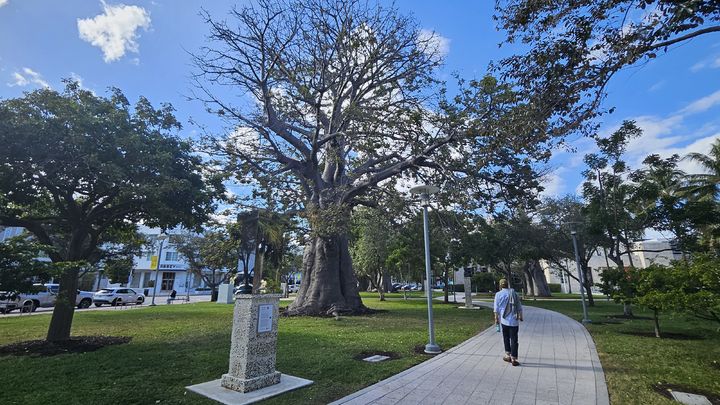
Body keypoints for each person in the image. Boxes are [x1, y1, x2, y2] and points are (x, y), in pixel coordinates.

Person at [494, 278, 523, 366]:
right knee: (514, 339)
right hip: (514, 320)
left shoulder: (498, 294)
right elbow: (519, 305)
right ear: (507, 285)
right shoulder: (514, 293)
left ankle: (508, 355)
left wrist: (496, 318)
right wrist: (521, 316)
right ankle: (514, 358)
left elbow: (496, 308)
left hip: (504, 320)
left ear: (500, 286)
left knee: (506, 337)